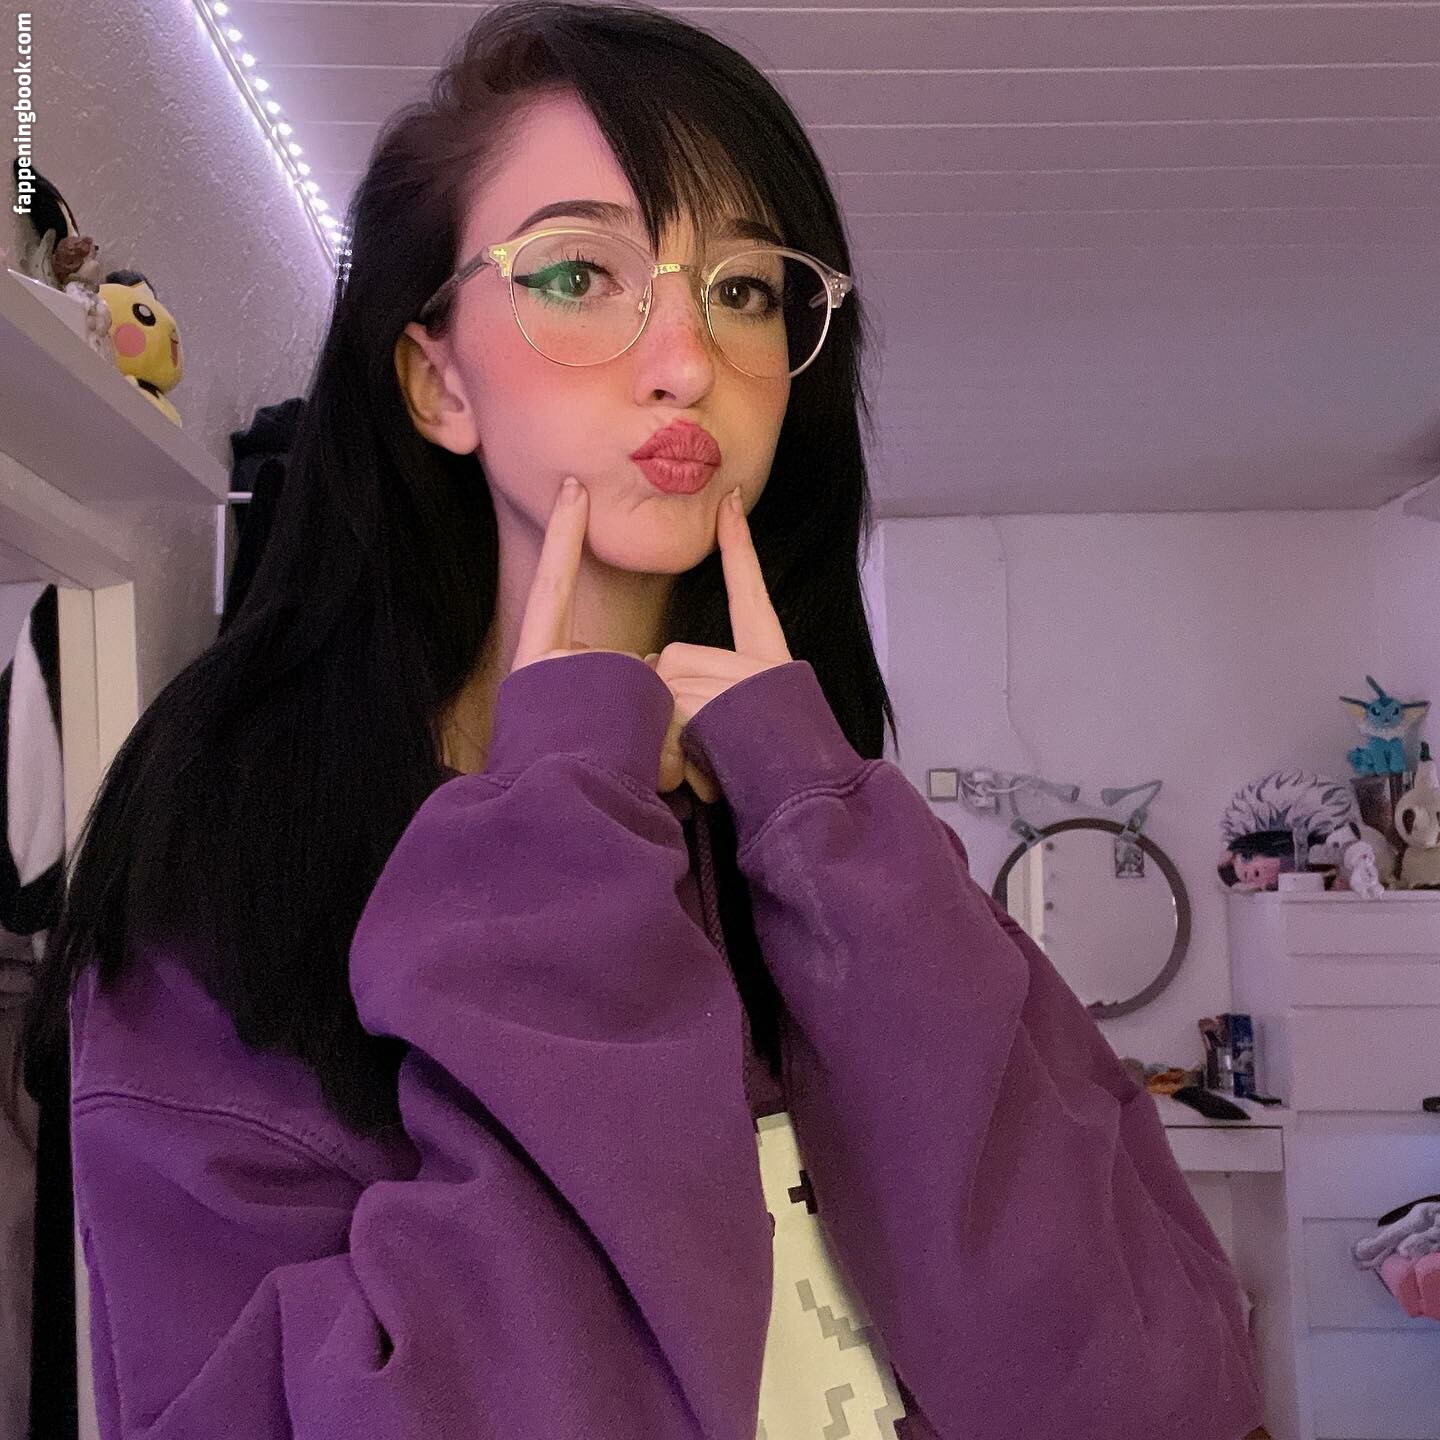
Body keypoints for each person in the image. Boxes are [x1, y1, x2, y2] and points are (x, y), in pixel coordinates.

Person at [22, 3, 1266, 1436]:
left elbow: (1149, 1386)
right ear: (437, 379)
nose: (686, 358)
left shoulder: (830, 836)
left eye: (744, 289)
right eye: (578, 273)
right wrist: (560, 819)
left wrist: (822, 819)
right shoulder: (241, 845)